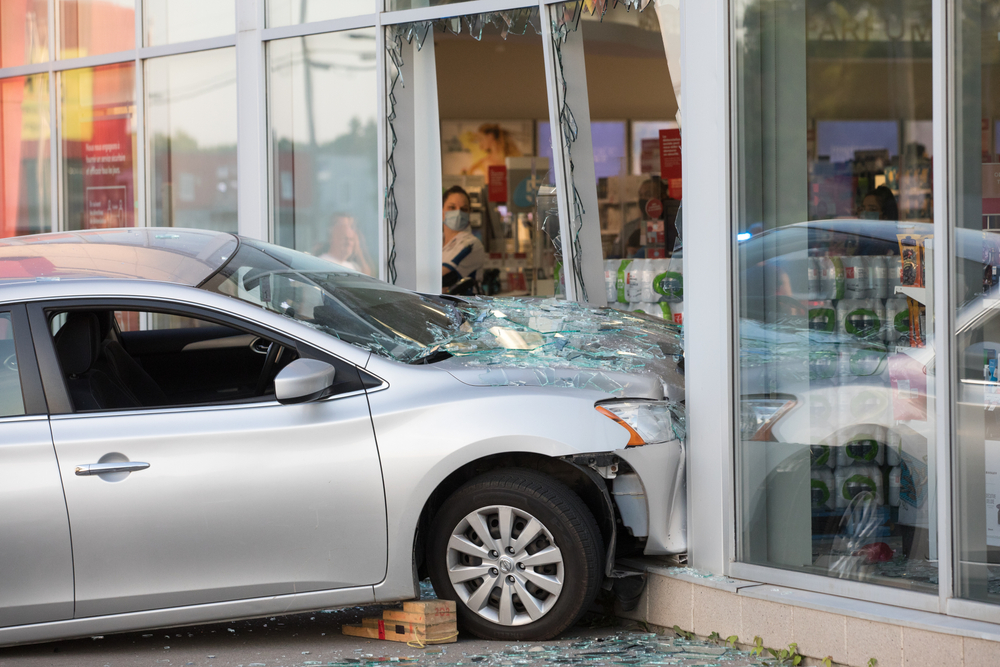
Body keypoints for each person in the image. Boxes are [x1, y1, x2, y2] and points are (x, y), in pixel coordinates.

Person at [441, 185, 485, 290]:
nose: (458, 213)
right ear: (441, 210)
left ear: (469, 213)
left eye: (464, 209)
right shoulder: (434, 243)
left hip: (461, 305)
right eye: (452, 207)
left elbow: (441, 280)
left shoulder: (471, 245)